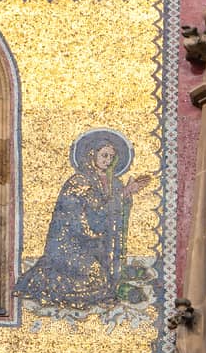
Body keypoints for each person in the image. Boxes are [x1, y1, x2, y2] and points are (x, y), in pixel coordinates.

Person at [16, 130, 151, 309]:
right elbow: (84, 219)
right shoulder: (78, 182)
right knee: (97, 278)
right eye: (104, 155)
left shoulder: (114, 183)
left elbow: (116, 213)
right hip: (70, 246)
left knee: (107, 276)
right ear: (92, 154)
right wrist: (123, 194)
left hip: (98, 247)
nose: (108, 160)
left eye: (111, 157)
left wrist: (125, 196)